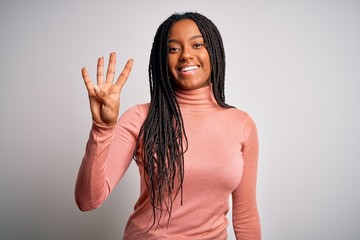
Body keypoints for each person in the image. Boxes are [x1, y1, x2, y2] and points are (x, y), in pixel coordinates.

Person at [75, 12, 261, 240]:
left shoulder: (242, 124)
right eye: (173, 49)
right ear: (161, 60)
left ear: (213, 51)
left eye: (197, 44)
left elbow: (245, 213)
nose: (186, 55)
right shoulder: (140, 117)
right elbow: (88, 200)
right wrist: (102, 128)